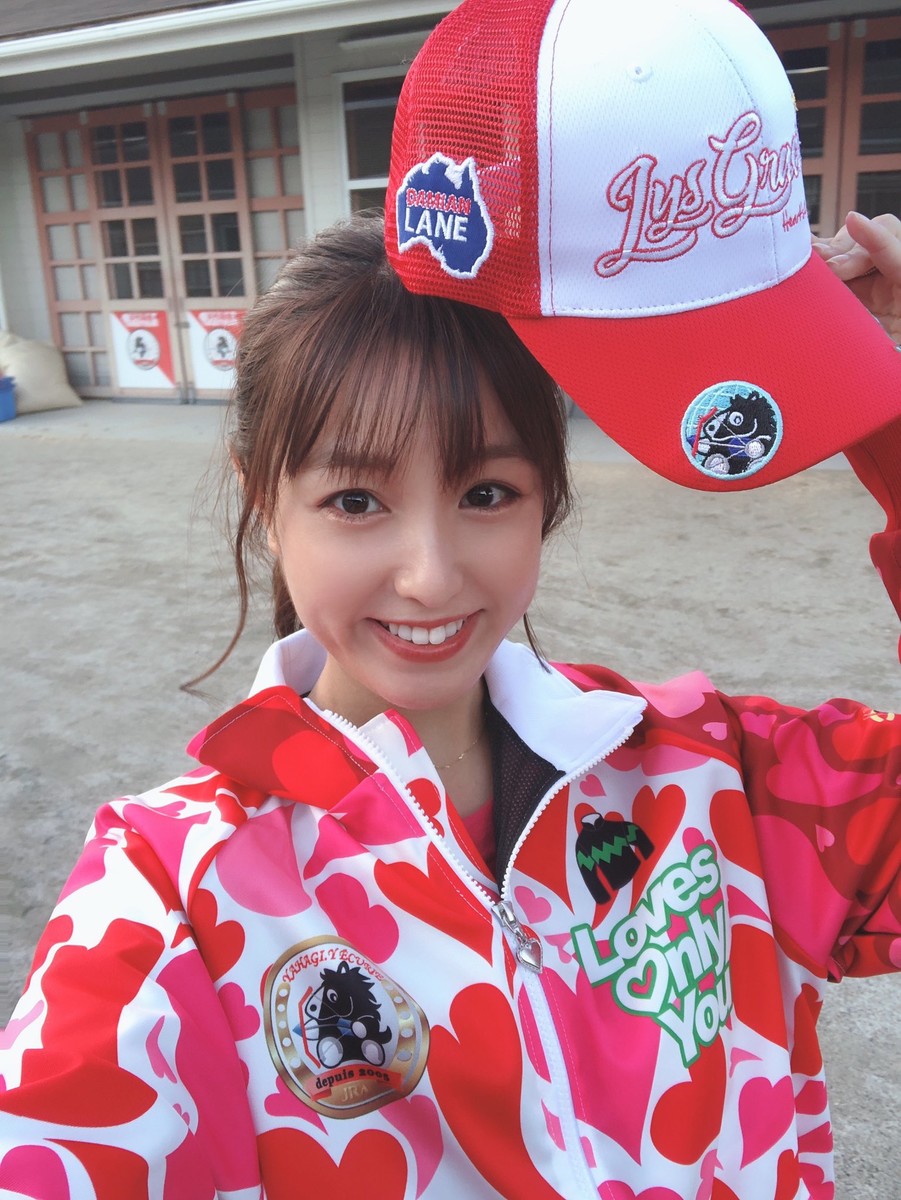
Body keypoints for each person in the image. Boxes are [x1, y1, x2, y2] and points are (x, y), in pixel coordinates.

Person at [2, 2, 900, 1199]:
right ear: (264, 501)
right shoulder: (172, 892)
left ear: (547, 499)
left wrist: (879, 410)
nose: (429, 573)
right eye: (354, 502)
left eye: (486, 492)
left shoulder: (718, 781)